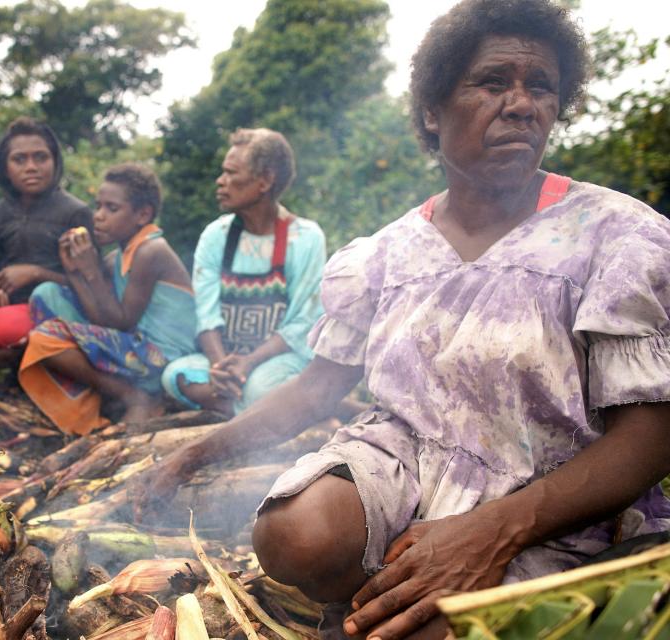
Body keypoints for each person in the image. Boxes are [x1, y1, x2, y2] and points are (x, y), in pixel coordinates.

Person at [131, 1, 670, 638]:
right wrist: (190, 456)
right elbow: (315, 388)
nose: (524, 104)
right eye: (493, 82)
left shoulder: (618, 237)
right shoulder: (385, 254)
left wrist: (493, 529)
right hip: (403, 463)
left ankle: (389, 604)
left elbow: (650, 437)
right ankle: (374, 591)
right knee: (294, 536)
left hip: (551, 494)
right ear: (432, 112)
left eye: (541, 87)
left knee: (432, 629)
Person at [18, 163, 195, 435]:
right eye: (98, 206)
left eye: (111, 209)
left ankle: (133, 396)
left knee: (46, 338)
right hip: (133, 345)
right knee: (47, 295)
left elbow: (121, 322)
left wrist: (90, 270)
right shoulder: (117, 257)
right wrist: (74, 272)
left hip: (162, 355)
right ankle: (113, 396)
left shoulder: (151, 251)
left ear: (143, 214)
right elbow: (102, 319)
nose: (98, 216)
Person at [160, 128, 326, 416]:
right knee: (176, 375)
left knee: (261, 387)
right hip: (225, 361)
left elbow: (303, 323)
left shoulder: (306, 238)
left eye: (231, 173)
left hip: (278, 359)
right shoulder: (216, 235)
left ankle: (237, 407)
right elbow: (206, 314)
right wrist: (220, 366)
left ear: (265, 181)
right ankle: (261, 412)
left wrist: (248, 363)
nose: (220, 182)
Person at [0, 117, 94, 308]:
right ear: (5, 169)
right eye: (19, 159)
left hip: (60, 312)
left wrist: (36, 273)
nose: (31, 167)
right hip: (5, 312)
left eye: (41, 157)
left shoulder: (75, 213)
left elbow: (92, 286)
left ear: (55, 162)